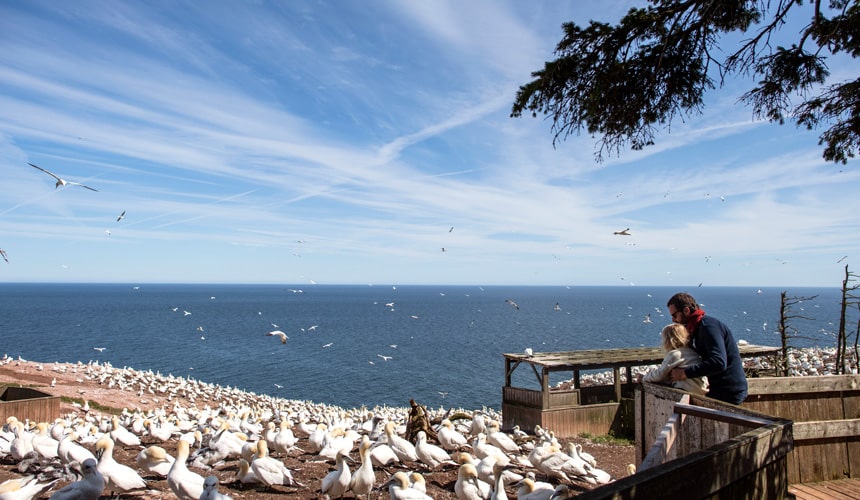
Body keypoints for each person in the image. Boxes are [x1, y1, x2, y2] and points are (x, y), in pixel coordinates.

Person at [667, 292, 748, 405]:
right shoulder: (696, 328)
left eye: (675, 315)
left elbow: (719, 362)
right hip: (718, 390)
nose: (673, 320)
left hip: (728, 391)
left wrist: (685, 373)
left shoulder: (708, 327)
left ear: (686, 310)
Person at [641, 323, 708, 395]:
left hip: (686, 389)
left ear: (668, 340)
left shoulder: (674, 354)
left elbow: (660, 374)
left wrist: (644, 377)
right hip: (700, 389)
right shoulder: (692, 352)